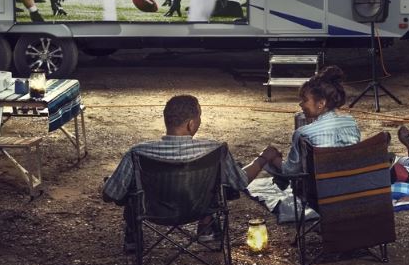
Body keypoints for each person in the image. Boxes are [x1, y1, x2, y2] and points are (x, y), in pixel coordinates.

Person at [101, 95, 281, 249]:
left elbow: (111, 193)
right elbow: (239, 182)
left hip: (152, 212)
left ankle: (133, 235)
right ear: (191, 124)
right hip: (198, 208)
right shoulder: (215, 150)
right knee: (218, 179)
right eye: (200, 117)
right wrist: (262, 159)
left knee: (131, 185)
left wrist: (110, 184)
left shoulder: (138, 152)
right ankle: (206, 227)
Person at [262, 65, 361, 178]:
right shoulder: (351, 122)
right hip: (352, 187)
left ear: (321, 103)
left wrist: (273, 158)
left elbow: (290, 171)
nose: (300, 104)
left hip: (322, 191)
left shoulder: (304, 133)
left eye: (304, 100)